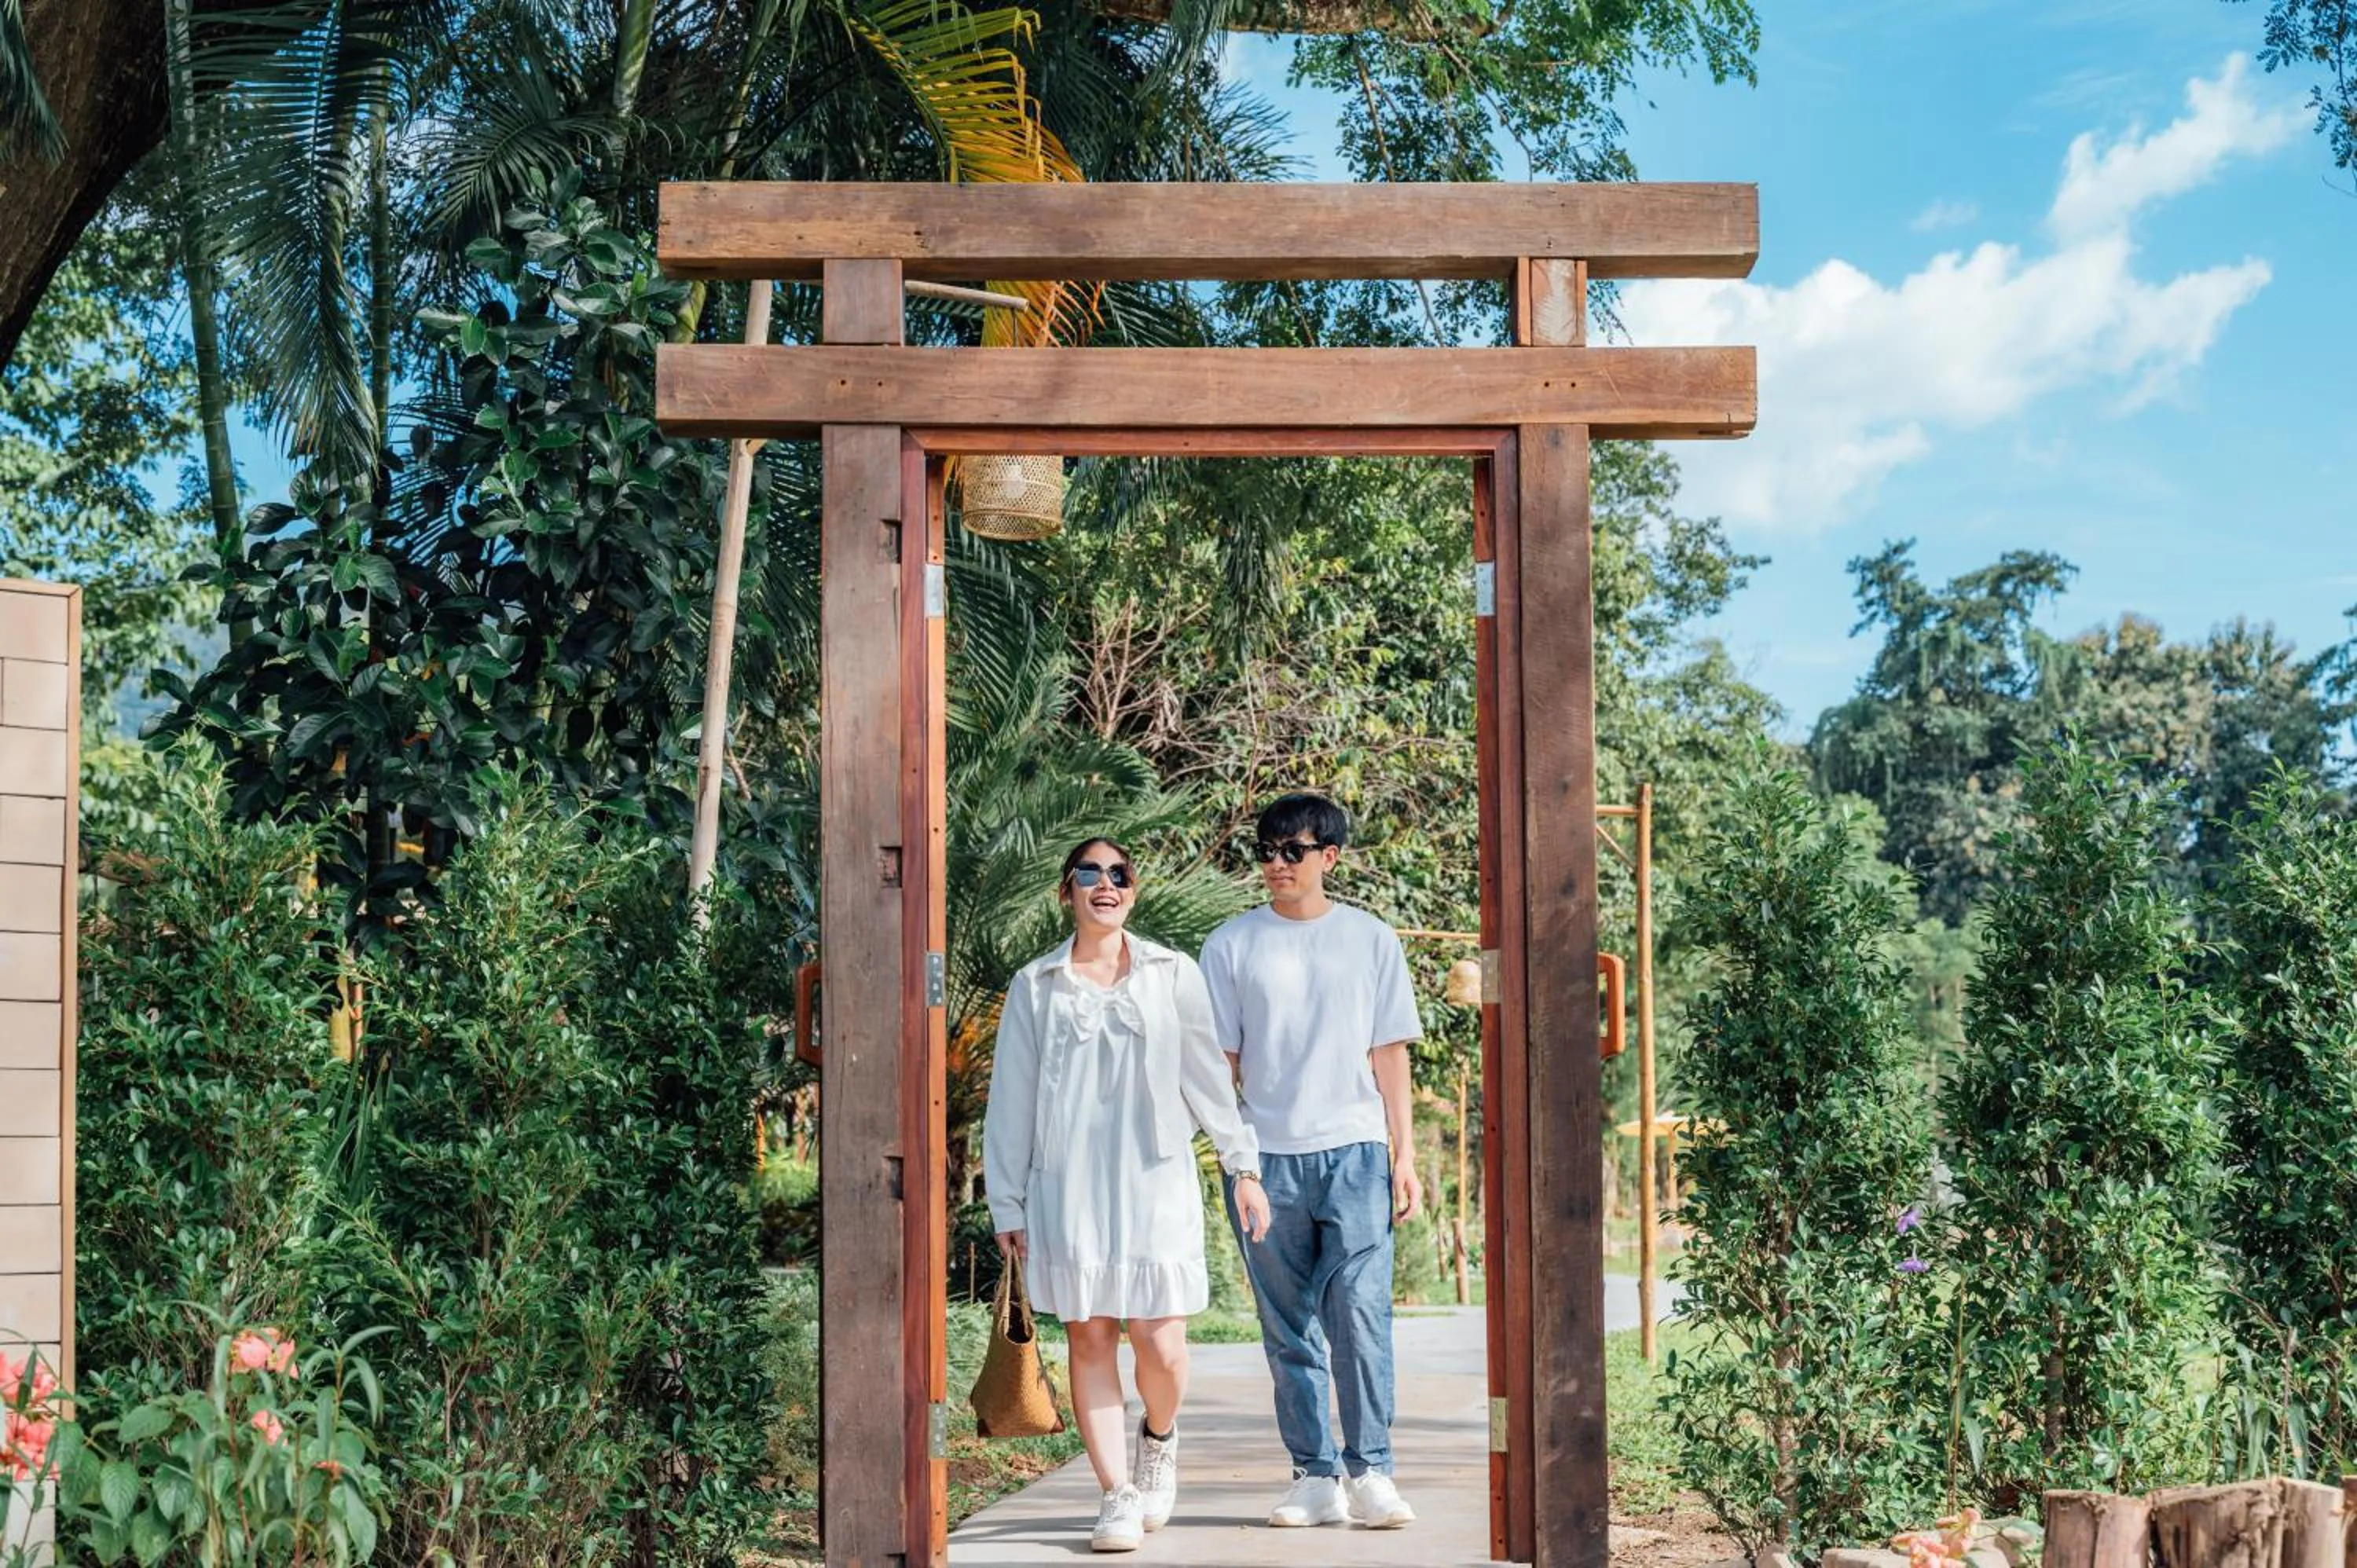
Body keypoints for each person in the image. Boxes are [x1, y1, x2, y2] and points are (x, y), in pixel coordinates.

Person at [984, 837, 1274, 1553]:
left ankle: (1160, 1436)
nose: (1105, 884)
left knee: (1162, 1342)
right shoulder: (1036, 985)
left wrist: (1244, 1166)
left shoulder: (1173, 973)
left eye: (1120, 875)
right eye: (1090, 874)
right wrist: (1007, 1204)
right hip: (1069, 1184)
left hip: (1154, 1179)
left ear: (1133, 892)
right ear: (1067, 893)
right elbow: (1010, 1100)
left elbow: (1208, 1077)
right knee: (1091, 1334)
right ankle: (1115, 1493)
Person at [1200, 792, 1424, 1531]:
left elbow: (1389, 1053)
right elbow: (1219, 1067)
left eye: (1291, 851)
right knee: (1288, 1323)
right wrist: (1239, 1166)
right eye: (1266, 851)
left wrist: (1405, 1155)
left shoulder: (1370, 939)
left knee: (1360, 1316)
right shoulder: (1231, 944)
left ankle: (1374, 1472)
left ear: (1329, 856)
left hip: (1358, 1153)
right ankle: (1314, 1474)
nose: (1275, 864)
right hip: (1267, 1160)